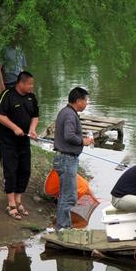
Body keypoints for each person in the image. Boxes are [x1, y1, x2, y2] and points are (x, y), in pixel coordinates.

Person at [0, 71, 39, 220]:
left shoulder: (31, 97)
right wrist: (14, 127)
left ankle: (19, 201)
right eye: (29, 84)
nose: (31, 87)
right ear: (21, 83)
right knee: (10, 171)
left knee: (24, 171)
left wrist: (32, 129)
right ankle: (11, 204)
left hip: (24, 141)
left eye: (32, 84)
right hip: (7, 141)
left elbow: (35, 116)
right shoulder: (7, 94)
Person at [53, 87, 94, 230]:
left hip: (64, 158)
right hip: (66, 159)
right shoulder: (70, 115)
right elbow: (69, 136)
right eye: (86, 100)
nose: (86, 103)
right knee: (69, 196)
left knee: (65, 194)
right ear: (78, 101)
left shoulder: (66, 112)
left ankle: (61, 226)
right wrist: (83, 141)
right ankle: (64, 228)